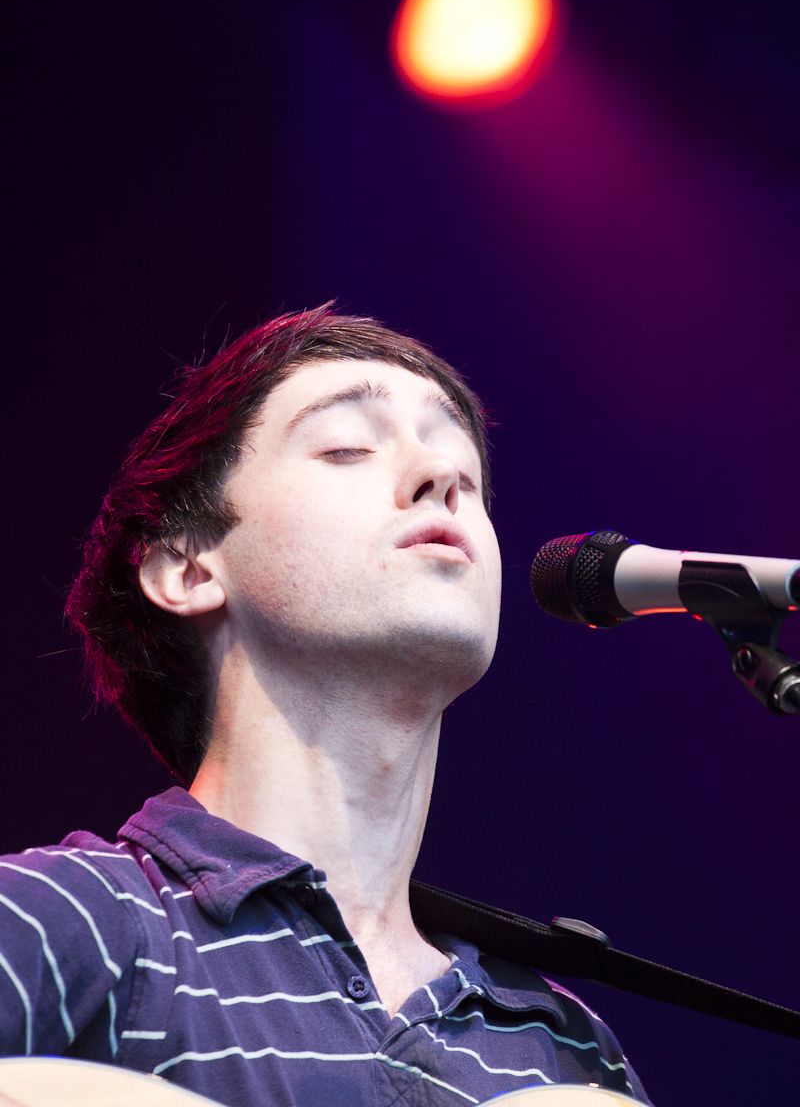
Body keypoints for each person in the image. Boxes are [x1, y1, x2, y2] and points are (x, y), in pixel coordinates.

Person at [0, 307, 650, 1106]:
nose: (440, 477)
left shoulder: (565, 1050)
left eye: (466, 472)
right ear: (188, 569)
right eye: (346, 447)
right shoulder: (73, 919)